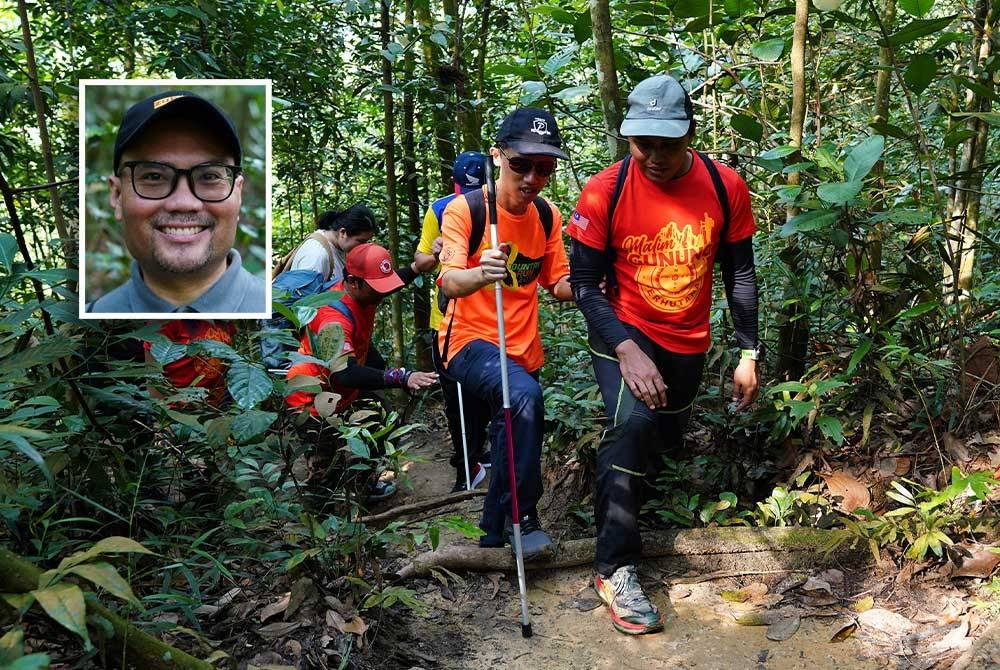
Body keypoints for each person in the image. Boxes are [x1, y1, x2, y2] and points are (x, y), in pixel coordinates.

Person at [566, 74, 760, 635]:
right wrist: (625, 347)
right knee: (631, 426)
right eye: (641, 142)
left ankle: (632, 507)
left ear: (690, 135)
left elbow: (739, 273)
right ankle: (615, 568)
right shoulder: (603, 191)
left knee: (662, 437)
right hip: (623, 331)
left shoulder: (725, 187)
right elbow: (582, 284)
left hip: (688, 338)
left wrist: (748, 350)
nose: (652, 155)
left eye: (666, 143)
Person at [437, 108, 573, 559]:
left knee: (515, 413)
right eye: (521, 164)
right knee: (523, 398)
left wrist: (601, 278)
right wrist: (481, 272)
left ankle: (495, 528)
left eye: (545, 168)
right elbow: (449, 280)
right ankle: (523, 517)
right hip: (469, 341)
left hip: (521, 348)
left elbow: (558, 283)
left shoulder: (548, 216)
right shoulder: (466, 210)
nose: (533, 177)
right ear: (498, 157)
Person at [86, 89, 265, 314]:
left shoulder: (288, 322)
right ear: (118, 196)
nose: (183, 202)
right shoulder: (83, 334)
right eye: (154, 176)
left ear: (237, 195)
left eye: (209, 177)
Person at [285, 242, 438, 416]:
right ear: (352, 282)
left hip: (343, 395)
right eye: (377, 288)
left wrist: (416, 268)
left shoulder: (366, 293)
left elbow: (389, 284)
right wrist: (402, 377)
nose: (382, 293)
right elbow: (344, 373)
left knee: (384, 424)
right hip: (312, 403)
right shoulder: (333, 320)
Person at [414, 151, 491, 493]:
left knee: (486, 395)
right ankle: (465, 468)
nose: (470, 196)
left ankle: (480, 452)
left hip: (490, 319)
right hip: (449, 319)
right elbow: (421, 260)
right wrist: (435, 251)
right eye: (465, 189)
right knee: (458, 398)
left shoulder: (502, 206)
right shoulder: (441, 208)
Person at [274, 203, 377, 283]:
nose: (364, 246)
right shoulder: (316, 255)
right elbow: (304, 305)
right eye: (361, 241)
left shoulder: (339, 246)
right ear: (343, 232)